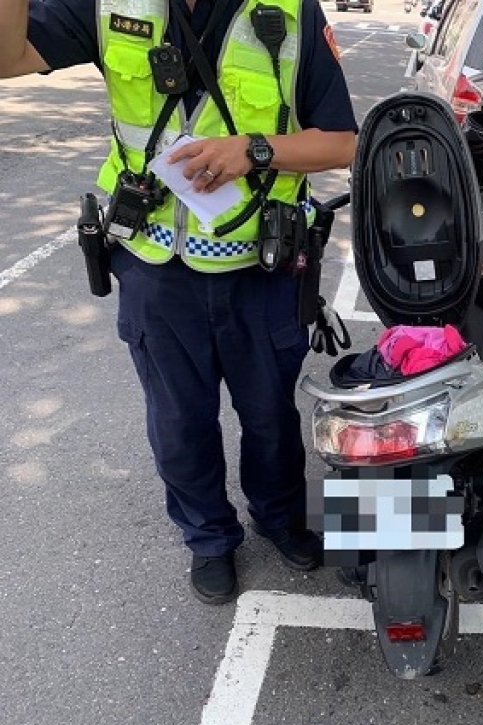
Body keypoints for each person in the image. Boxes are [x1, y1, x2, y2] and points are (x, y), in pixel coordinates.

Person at [1, 0, 359, 604]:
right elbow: (8, 57)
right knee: (179, 423)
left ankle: (277, 521)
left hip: (261, 269)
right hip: (156, 270)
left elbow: (343, 142)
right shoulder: (111, 5)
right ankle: (209, 540)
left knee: (271, 419)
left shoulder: (289, 11)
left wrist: (254, 150)